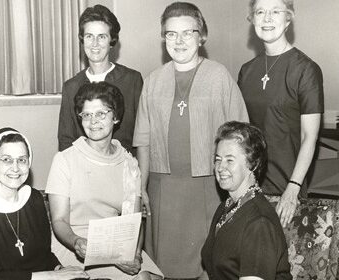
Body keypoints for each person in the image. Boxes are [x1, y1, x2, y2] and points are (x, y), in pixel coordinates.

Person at [133, 2, 249, 278]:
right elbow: (143, 140)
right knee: (163, 268)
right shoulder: (152, 81)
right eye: (171, 34)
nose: (179, 40)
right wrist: (143, 187)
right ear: (164, 39)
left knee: (207, 265)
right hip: (164, 191)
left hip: (209, 188)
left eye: (188, 32)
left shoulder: (219, 76)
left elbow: (242, 137)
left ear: (201, 36)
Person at [46, 82, 163, 280]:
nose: (93, 121)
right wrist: (76, 242)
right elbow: (59, 220)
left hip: (115, 244)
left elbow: (134, 221)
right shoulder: (64, 160)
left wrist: (134, 254)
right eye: (86, 115)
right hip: (75, 245)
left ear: (115, 117)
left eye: (101, 113)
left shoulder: (128, 163)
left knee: (145, 278)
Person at [237, 0, 324, 227]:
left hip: (287, 188)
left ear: (288, 18)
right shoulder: (246, 71)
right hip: (250, 187)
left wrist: (293, 188)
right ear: (252, 19)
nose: (267, 18)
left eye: (275, 11)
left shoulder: (306, 69)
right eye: (260, 12)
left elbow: (309, 137)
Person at [0, 128, 89, 280]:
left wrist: (61, 269)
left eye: (22, 160)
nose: (15, 168)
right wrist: (53, 276)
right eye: (6, 159)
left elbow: (44, 255)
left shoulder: (34, 199)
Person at [201, 121, 291, 280]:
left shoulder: (259, 223)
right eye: (218, 159)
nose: (220, 167)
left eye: (229, 160)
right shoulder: (226, 207)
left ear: (253, 164)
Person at [58, 4, 143, 155]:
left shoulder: (132, 81)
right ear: (82, 40)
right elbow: (66, 141)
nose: (95, 44)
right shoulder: (71, 87)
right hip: (84, 170)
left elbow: (143, 137)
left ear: (112, 41)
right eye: (89, 36)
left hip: (124, 168)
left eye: (102, 37)